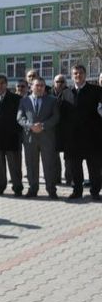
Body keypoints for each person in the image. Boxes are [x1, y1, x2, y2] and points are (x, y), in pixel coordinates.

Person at [58, 64, 102, 200]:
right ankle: (77, 191)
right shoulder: (65, 93)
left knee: (94, 168)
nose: (78, 75)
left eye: (81, 73)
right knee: (75, 168)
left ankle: (95, 192)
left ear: (85, 74)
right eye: (75, 73)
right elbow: (61, 116)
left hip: (93, 137)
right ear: (72, 76)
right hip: (73, 139)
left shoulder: (97, 91)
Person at [17, 77, 60, 198]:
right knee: (31, 164)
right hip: (30, 138)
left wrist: (43, 125)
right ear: (31, 87)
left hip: (47, 137)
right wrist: (31, 126)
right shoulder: (24, 101)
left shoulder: (52, 100)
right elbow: (20, 118)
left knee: (49, 165)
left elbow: (56, 117)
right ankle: (33, 189)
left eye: (42, 85)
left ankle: (51, 190)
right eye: (37, 85)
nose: (40, 87)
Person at [51, 74, 72, 185]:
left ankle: (69, 179)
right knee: (54, 156)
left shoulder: (70, 93)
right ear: (54, 83)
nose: (60, 83)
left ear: (66, 83)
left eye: (62, 81)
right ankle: (56, 178)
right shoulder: (49, 93)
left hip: (67, 130)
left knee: (68, 157)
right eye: (58, 81)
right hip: (53, 130)